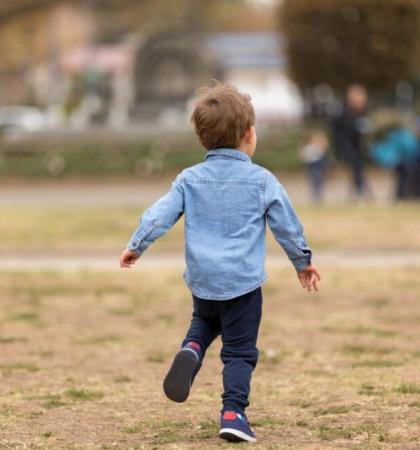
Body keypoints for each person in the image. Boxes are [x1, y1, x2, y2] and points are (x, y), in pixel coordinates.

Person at [119, 82, 321, 443]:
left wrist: (137, 245)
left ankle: (192, 349)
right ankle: (233, 413)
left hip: (203, 280)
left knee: (204, 321)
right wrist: (302, 262)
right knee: (240, 351)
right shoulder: (262, 181)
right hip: (242, 283)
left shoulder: (189, 179)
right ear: (248, 135)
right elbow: (287, 227)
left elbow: (159, 215)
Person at [332, 85, 370, 199]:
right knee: (357, 167)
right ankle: (360, 191)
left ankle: (360, 191)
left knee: (358, 168)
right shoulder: (343, 112)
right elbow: (337, 130)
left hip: (357, 146)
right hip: (346, 145)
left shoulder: (362, 112)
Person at [299, 130, 330, 202]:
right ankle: (315, 194)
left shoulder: (318, 147)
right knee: (314, 179)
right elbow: (304, 157)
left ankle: (318, 194)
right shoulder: (309, 147)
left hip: (318, 165)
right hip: (312, 165)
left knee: (319, 179)